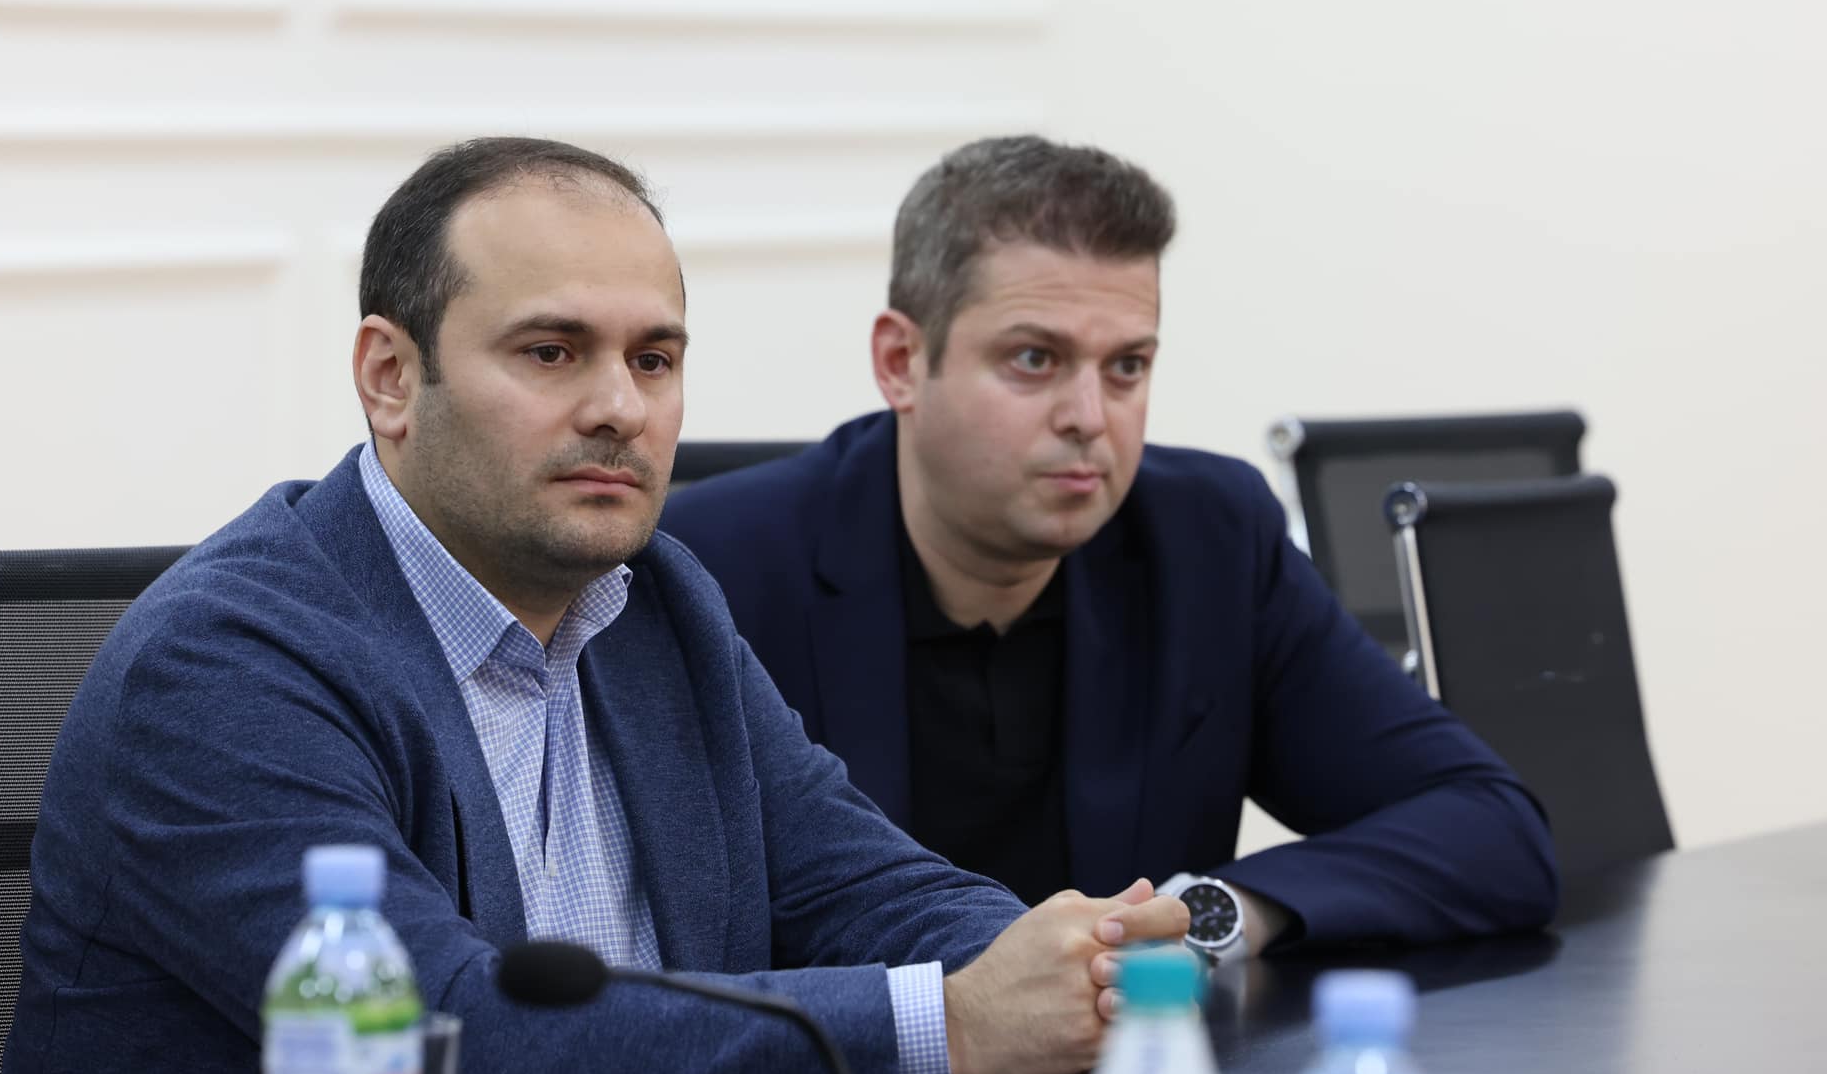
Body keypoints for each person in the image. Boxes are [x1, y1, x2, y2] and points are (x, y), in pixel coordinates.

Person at [0, 138, 1187, 1074]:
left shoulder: (655, 599)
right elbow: (441, 1035)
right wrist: (948, 1024)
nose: (621, 407)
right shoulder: (223, 666)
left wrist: (1063, 966)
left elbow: (853, 884)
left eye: (653, 359)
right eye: (552, 352)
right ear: (391, 378)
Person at [661, 135, 1559, 955]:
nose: (1090, 418)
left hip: (1142, 1071)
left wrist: (1214, 914)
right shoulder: (710, 567)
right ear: (902, 363)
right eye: (1034, 360)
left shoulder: (1209, 540)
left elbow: (1492, 828)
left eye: (1127, 366)